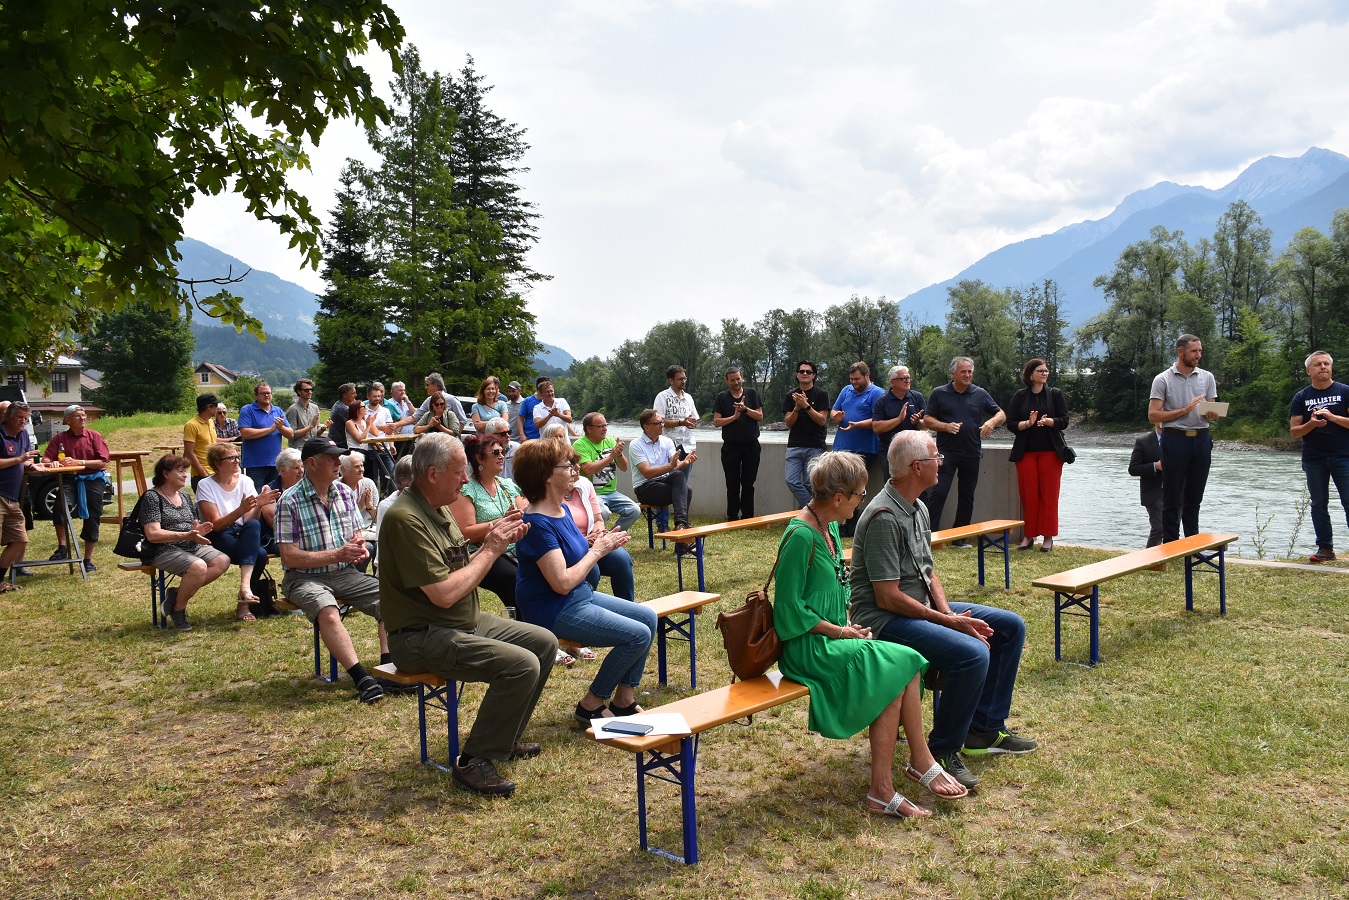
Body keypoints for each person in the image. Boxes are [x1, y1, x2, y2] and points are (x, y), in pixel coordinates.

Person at [775, 451, 967, 818]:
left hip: (835, 637)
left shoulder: (828, 526)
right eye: (861, 494)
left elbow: (832, 589)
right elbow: (788, 610)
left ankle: (893, 780)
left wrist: (849, 626)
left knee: (905, 663)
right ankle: (900, 775)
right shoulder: (800, 536)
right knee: (899, 664)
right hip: (809, 647)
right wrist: (841, 631)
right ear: (838, 498)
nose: (864, 500)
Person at [850, 431, 1036, 790]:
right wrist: (948, 622)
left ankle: (983, 729)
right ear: (917, 467)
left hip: (916, 606)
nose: (942, 463)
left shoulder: (917, 506)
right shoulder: (885, 516)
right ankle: (943, 750)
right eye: (937, 458)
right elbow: (886, 597)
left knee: (1010, 626)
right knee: (973, 653)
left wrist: (950, 615)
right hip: (883, 619)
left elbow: (928, 571)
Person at [379, 433, 558, 798]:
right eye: (459, 472)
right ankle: (475, 760)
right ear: (432, 474)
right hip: (420, 635)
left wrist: (499, 537)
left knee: (544, 642)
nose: (465, 479)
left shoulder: (439, 504)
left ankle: (503, 739)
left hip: (462, 621)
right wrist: (492, 549)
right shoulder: (405, 519)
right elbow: (443, 594)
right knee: (522, 664)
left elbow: (460, 565)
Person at [512, 439, 655, 726]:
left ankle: (624, 699)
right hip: (554, 609)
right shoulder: (538, 523)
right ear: (546, 476)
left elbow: (570, 553)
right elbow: (561, 582)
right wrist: (597, 551)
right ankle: (591, 704)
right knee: (637, 634)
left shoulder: (560, 510)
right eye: (567, 465)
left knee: (648, 617)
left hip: (578, 597)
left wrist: (597, 542)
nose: (576, 469)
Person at [275, 437, 393, 704]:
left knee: (392, 596)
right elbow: (289, 556)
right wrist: (337, 554)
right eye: (331, 457)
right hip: (303, 577)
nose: (338, 461)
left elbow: (355, 535)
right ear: (311, 463)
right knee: (327, 611)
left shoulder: (343, 493)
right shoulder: (289, 501)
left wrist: (358, 547)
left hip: (344, 573)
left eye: (338, 456)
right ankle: (361, 677)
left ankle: (388, 668)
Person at [140, 454, 231, 630]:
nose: (185, 475)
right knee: (198, 566)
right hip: (162, 549)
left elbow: (193, 523)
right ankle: (179, 610)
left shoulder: (184, 495)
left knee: (222, 561)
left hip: (190, 544)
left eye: (185, 471)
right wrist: (186, 535)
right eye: (180, 471)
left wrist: (198, 530)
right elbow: (153, 534)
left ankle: (176, 595)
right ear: (166, 474)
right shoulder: (152, 497)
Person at [449, 433, 531, 628]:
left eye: (502, 451)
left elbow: (523, 515)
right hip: (482, 551)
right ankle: (527, 630)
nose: (502, 456)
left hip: (514, 547)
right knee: (514, 578)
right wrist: (502, 521)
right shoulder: (467, 489)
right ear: (479, 458)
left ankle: (544, 629)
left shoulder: (507, 486)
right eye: (495, 452)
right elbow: (466, 532)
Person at [922, 356, 1006, 538]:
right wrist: (945, 426)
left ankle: (960, 536)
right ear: (953, 373)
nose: (968, 375)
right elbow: (927, 420)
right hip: (946, 452)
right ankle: (929, 535)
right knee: (939, 491)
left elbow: (1001, 414)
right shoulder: (939, 393)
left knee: (967, 495)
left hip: (972, 452)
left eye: (970, 372)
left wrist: (991, 422)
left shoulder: (980, 393)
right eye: (963, 372)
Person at [1148, 334, 1219, 543]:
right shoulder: (1162, 379)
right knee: (1172, 496)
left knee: (1194, 497)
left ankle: (1192, 545)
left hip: (1201, 440)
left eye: (1200, 351)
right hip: (1175, 439)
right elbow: (1153, 415)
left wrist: (1212, 414)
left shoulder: (1207, 377)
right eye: (1194, 351)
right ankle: (1170, 545)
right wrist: (1184, 410)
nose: (1198, 355)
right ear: (1180, 352)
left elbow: (1210, 409)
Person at [196, 442, 279, 621]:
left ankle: (245, 590)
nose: (237, 461)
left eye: (237, 456)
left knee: (254, 526)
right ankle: (244, 602)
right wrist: (240, 510)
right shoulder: (205, 485)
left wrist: (259, 505)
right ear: (218, 463)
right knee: (260, 554)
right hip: (217, 535)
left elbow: (250, 520)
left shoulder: (245, 480)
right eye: (231, 458)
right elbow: (216, 525)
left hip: (241, 532)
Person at [557, 439, 635, 603]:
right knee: (592, 569)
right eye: (571, 466)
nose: (578, 468)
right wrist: (585, 541)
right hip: (571, 546)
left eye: (576, 464)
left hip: (592, 541)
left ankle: (628, 605)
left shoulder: (584, 484)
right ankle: (585, 607)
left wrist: (599, 534)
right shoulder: (551, 495)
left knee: (622, 559)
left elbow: (598, 519)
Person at [1289, 350, 1349, 563]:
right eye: (1318, 364)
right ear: (1308, 371)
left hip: (1344, 456)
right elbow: (1295, 431)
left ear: (1331, 367)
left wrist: (1333, 417)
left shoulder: (1345, 391)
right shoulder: (1301, 397)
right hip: (1314, 457)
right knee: (1318, 504)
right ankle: (1326, 549)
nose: (1323, 367)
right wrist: (1312, 423)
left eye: (1326, 363)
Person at [1006, 358, 1069, 552]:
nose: (1044, 373)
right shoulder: (1020, 396)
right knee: (1029, 496)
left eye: (1046, 371)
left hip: (1050, 453)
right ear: (1030, 374)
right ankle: (1029, 536)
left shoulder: (1054, 394)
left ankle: (1048, 537)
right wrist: (1027, 424)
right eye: (1040, 371)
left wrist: (1050, 422)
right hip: (1026, 453)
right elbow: (1011, 423)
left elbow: (1064, 420)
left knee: (1049, 496)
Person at [43, 404, 110, 572]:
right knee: (60, 507)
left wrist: (80, 462)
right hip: (69, 478)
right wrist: (53, 462)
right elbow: (45, 459)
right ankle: (63, 547)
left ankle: (87, 560)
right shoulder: (60, 439)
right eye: (78, 415)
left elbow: (103, 461)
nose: (83, 418)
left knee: (94, 515)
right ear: (68, 420)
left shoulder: (94, 436)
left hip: (93, 478)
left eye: (84, 415)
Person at [830, 362, 885, 535]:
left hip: (865, 448)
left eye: (857, 379)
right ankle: (842, 522)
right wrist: (836, 417)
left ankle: (851, 524)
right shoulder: (846, 390)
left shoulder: (877, 393)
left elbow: (879, 420)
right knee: (839, 485)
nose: (854, 382)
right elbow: (833, 410)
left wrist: (858, 424)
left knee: (854, 487)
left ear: (867, 376)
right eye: (852, 379)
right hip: (842, 446)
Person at [628, 408, 697, 539]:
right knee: (686, 490)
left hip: (663, 483)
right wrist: (671, 466)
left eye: (662, 422)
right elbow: (647, 473)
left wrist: (685, 462)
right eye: (657, 423)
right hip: (645, 488)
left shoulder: (667, 441)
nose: (662, 425)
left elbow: (675, 467)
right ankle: (683, 526)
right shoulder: (636, 445)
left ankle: (680, 525)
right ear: (646, 426)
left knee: (683, 483)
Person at [0, 402, 45, 590]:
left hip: (13, 497)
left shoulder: (24, 434)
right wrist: (20, 459)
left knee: (20, 540)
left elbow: (25, 459)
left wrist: (32, 465)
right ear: (8, 416)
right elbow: (16, 459)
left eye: (26, 419)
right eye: (20, 417)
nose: (23, 422)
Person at [712, 366, 763, 520]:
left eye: (738, 379)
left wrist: (745, 409)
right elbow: (716, 422)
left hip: (751, 446)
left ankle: (747, 516)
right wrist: (734, 417)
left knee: (748, 483)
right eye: (732, 380)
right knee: (732, 484)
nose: (736, 382)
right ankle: (732, 517)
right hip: (730, 447)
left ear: (742, 377)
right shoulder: (722, 397)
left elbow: (760, 416)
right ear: (726, 381)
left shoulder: (752, 394)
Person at [574, 412, 638, 532]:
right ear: (589, 428)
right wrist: (610, 456)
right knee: (602, 512)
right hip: (592, 493)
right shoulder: (580, 445)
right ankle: (595, 538)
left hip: (612, 492)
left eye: (605, 425)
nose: (605, 429)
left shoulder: (610, 441)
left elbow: (624, 468)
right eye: (600, 426)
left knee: (634, 510)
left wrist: (619, 455)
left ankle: (612, 536)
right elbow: (588, 470)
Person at [783, 360, 830, 508]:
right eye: (801, 371)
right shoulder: (790, 395)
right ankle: (812, 511)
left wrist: (806, 406)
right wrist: (797, 408)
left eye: (808, 372)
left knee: (809, 484)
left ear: (813, 375)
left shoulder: (821, 394)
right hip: (794, 446)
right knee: (791, 480)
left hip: (815, 445)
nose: (804, 374)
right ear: (797, 375)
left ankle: (804, 515)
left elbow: (822, 420)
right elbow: (789, 423)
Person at [238, 381, 294, 490]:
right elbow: (245, 433)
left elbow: (291, 434)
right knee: (256, 497)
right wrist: (270, 429)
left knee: (275, 495)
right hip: (255, 464)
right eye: (263, 393)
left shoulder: (277, 411)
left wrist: (280, 427)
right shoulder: (247, 410)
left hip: (275, 463)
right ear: (255, 395)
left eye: (269, 393)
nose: (267, 395)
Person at [872, 365, 926, 477]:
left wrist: (917, 422)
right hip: (890, 450)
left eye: (908, 378)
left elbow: (926, 425)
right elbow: (876, 427)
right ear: (892, 382)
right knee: (893, 483)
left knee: (916, 483)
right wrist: (898, 419)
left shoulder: (917, 397)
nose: (907, 381)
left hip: (914, 449)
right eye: (903, 378)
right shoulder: (882, 401)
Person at [654, 365, 698, 472]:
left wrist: (692, 423)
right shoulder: (662, 397)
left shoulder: (688, 398)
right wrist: (681, 422)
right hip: (669, 445)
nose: (683, 381)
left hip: (687, 445)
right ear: (671, 380)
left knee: (684, 482)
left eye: (684, 378)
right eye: (680, 379)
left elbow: (695, 419)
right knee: (669, 479)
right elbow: (659, 422)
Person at [1128, 425, 1165, 548]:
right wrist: (1155, 466)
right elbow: (1133, 469)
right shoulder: (1143, 441)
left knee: (1172, 529)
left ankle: (1170, 557)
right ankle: (1150, 558)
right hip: (1153, 492)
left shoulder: (1179, 440)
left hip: (1176, 491)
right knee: (1159, 528)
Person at [183, 393, 219, 490]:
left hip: (214, 470)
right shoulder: (191, 425)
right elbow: (189, 452)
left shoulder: (211, 422)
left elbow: (211, 442)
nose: (217, 408)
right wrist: (202, 472)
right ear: (208, 407)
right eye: (215, 405)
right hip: (201, 474)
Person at [285, 378, 326, 449]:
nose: (309, 392)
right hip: (299, 450)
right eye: (306, 390)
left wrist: (323, 428)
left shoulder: (315, 408)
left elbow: (316, 433)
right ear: (299, 391)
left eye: (311, 390)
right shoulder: (293, 410)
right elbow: (292, 434)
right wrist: (310, 426)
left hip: (313, 448)